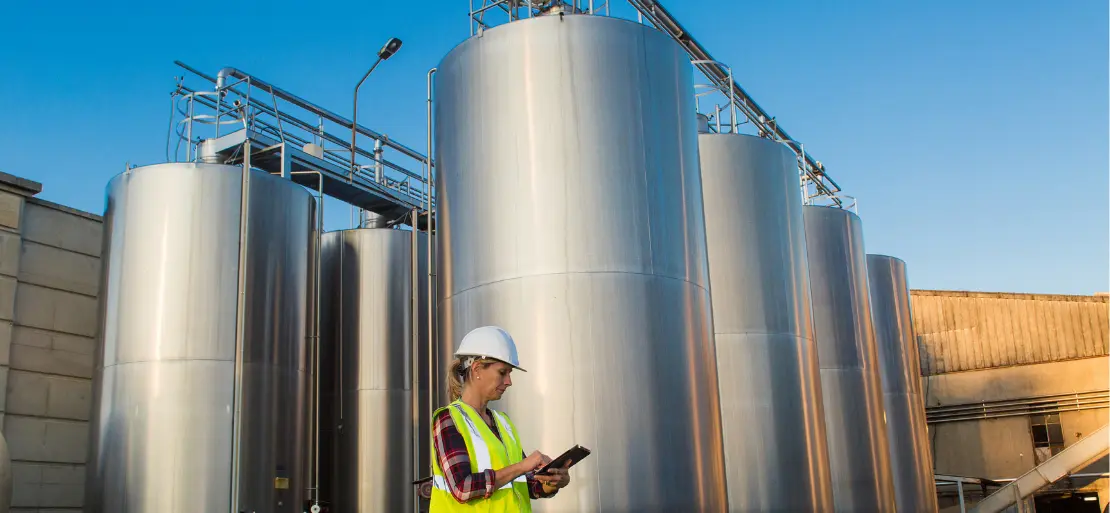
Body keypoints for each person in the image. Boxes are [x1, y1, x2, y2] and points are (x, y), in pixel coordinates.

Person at [430, 326, 571, 512]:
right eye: (503, 372)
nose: (509, 381)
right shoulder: (449, 419)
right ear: (477, 369)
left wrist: (553, 481)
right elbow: (462, 488)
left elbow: (527, 485)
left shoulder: (503, 422)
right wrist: (522, 466)